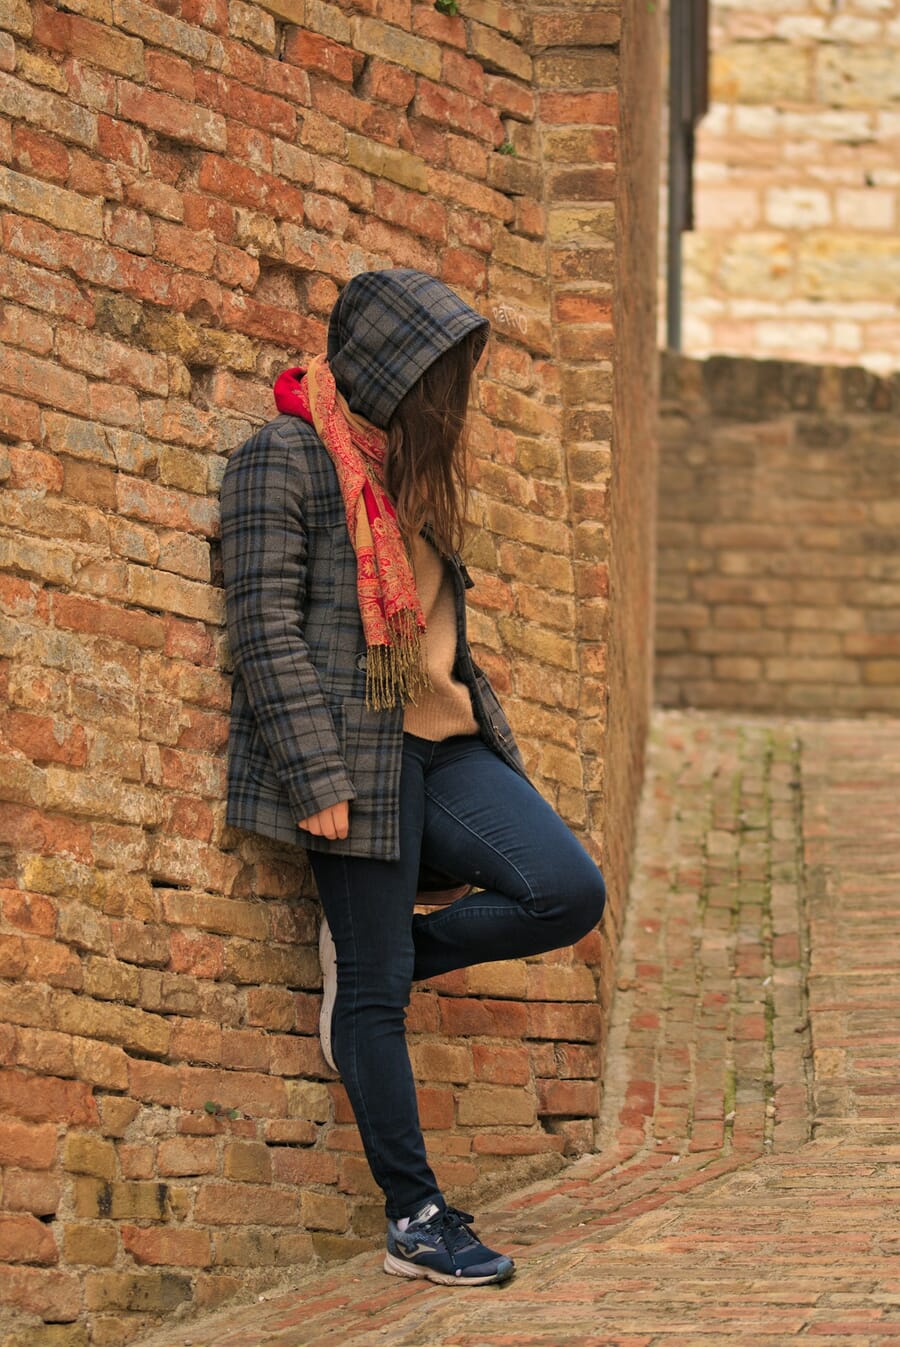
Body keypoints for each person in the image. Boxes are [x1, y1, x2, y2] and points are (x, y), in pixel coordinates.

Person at [220, 269, 606, 1288]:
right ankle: (415, 1218)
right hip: (357, 755)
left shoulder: (410, 474)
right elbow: (262, 626)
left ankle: (378, 959)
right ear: (394, 371)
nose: (453, 401)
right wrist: (314, 774)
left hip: (448, 741)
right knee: (376, 996)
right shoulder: (283, 460)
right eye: (439, 379)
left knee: (568, 892)